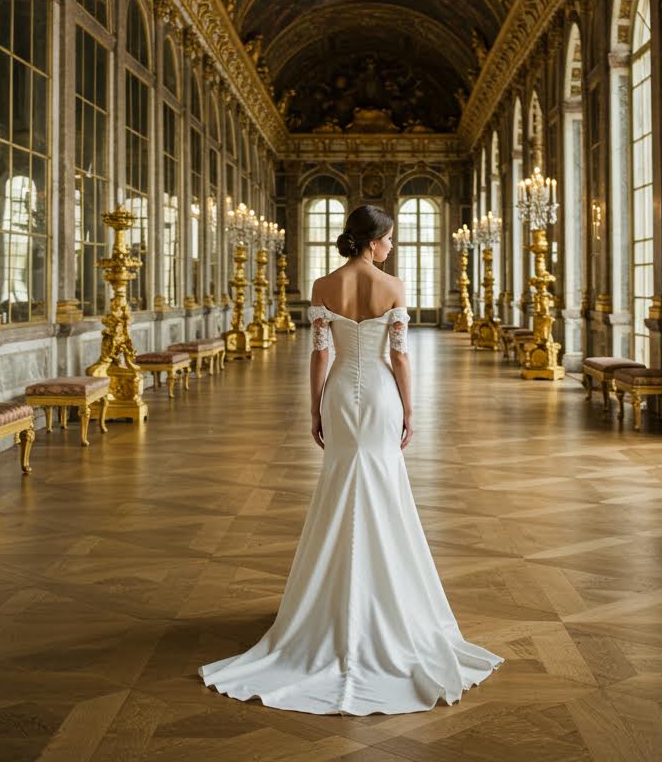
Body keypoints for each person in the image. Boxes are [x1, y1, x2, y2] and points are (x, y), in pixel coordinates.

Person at [199, 204, 504, 714]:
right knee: (383, 487)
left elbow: (320, 352)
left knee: (340, 486)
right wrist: (409, 408)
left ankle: (328, 604)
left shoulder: (323, 284)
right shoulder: (394, 287)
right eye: (387, 239)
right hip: (381, 395)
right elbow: (400, 356)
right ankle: (384, 603)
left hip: (340, 392)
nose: (390, 246)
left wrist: (314, 407)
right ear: (374, 240)